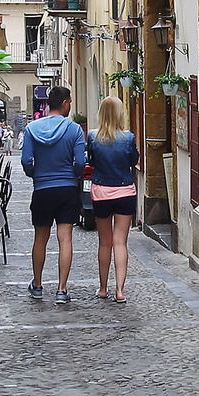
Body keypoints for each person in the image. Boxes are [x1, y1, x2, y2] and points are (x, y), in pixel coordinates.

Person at [21, 85, 84, 303]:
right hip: (66, 188)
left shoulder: (32, 129)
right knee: (64, 238)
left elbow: (26, 161)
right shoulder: (74, 130)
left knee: (40, 238)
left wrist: (36, 175)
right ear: (65, 102)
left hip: (42, 189)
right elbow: (81, 162)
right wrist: (73, 175)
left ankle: (37, 285)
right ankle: (61, 289)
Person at [87, 95, 141, 302]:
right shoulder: (128, 137)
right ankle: (119, 291)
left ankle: (103, 288)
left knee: (104, 243)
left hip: (101, 191)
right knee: (120, 243)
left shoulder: (93, 137)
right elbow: (133, 160)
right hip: (124, 191)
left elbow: (90, 160)